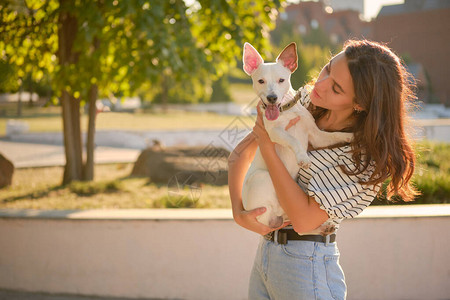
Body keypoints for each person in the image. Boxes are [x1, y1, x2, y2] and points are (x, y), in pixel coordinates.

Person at [228, 39, 418, 299]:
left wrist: (269, 146)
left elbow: (304, 221)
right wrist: (238, 213)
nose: (320, 84)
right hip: (265, 255)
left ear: (360, 102)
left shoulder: (362, 161)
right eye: (328, 68)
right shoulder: (300, 100)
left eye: (336, 87)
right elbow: (238, 155)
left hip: (306, 267)